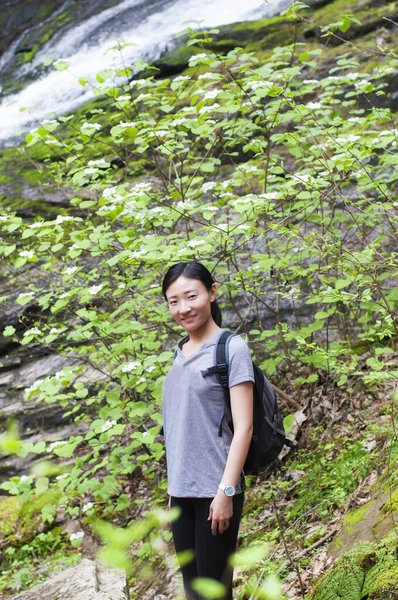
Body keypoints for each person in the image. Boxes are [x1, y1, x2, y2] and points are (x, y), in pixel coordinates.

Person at [161, 261, 254, 600]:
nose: (183, 308)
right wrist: (173, 489)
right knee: (193, 591)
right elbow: (178, 428)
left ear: (212, 293)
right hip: (181, 493)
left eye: (191, 296)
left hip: (216, 490)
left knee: (215, 593)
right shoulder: (178, 354)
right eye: (173, 301)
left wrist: (226, 492)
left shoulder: (231, 349)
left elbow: (244, 428)